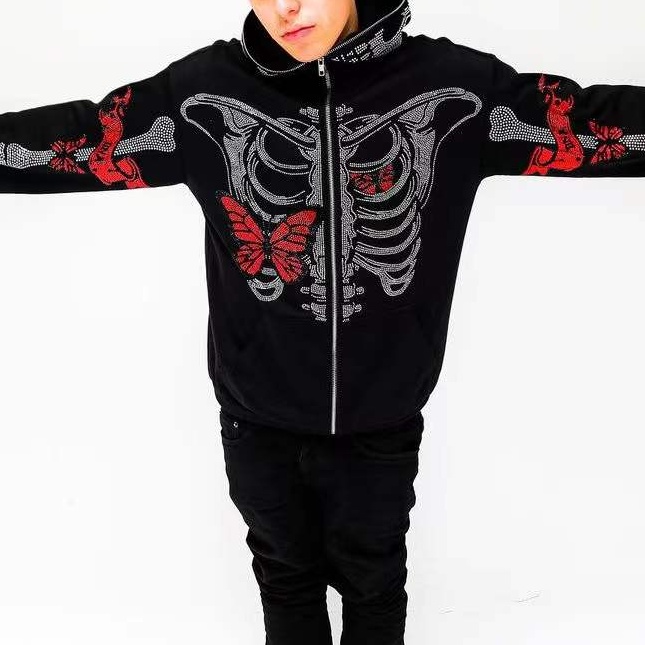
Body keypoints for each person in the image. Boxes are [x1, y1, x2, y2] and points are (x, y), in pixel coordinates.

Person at [3, 0, 645, 643]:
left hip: (381, 418)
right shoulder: (202, 95)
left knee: (375, 586)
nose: (286, 8)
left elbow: (592, 126)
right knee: (285, 581)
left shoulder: (458, 90)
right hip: (257, 418)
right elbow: (80, 142)